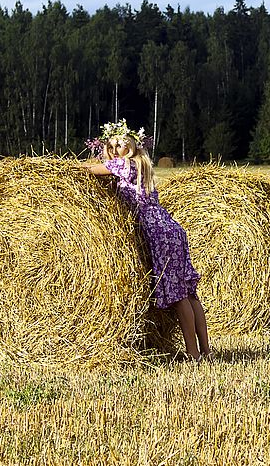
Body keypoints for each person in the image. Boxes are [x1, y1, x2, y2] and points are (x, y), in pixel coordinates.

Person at [81, 119, 211, 362]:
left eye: (120, 143)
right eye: (112, 145)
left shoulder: (125, 164)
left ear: (131, 145)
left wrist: (59, 168)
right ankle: (206, 351)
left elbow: (87, 170)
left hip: (157, 233)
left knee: (180, 295)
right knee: (189, 293)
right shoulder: (143, 165)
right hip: (171, 229)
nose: (116, 148)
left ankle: (193, 353)